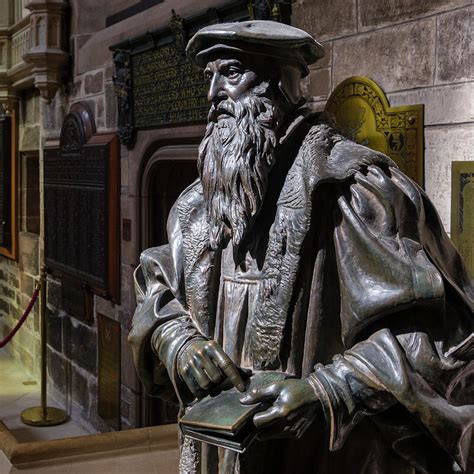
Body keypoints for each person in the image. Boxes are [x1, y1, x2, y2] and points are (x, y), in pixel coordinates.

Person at [129, 21, 473, 474]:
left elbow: (434, 342)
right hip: (219, 453)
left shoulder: (353, 193)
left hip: (317, 454)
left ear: (278, 88)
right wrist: (177, 341)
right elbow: (157, 284)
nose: (213, 93)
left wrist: (325, 392)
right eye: (209, 76)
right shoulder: (203, 204)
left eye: (231, 72)